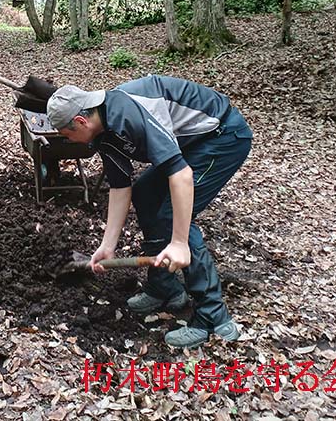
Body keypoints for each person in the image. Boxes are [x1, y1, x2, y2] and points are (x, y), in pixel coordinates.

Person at [46, 75, 253, 348]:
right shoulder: (104, 131)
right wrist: (108, 245)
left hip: (222, 136)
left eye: (67, 135)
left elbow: (180, 175)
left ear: (81, 121)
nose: (70, 141)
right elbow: (121, 188)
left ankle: (213, 318)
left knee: (172, 216)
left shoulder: (128, 116)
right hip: (191, 144)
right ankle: (164, 288)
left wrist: (179, 243)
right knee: (145, 194)